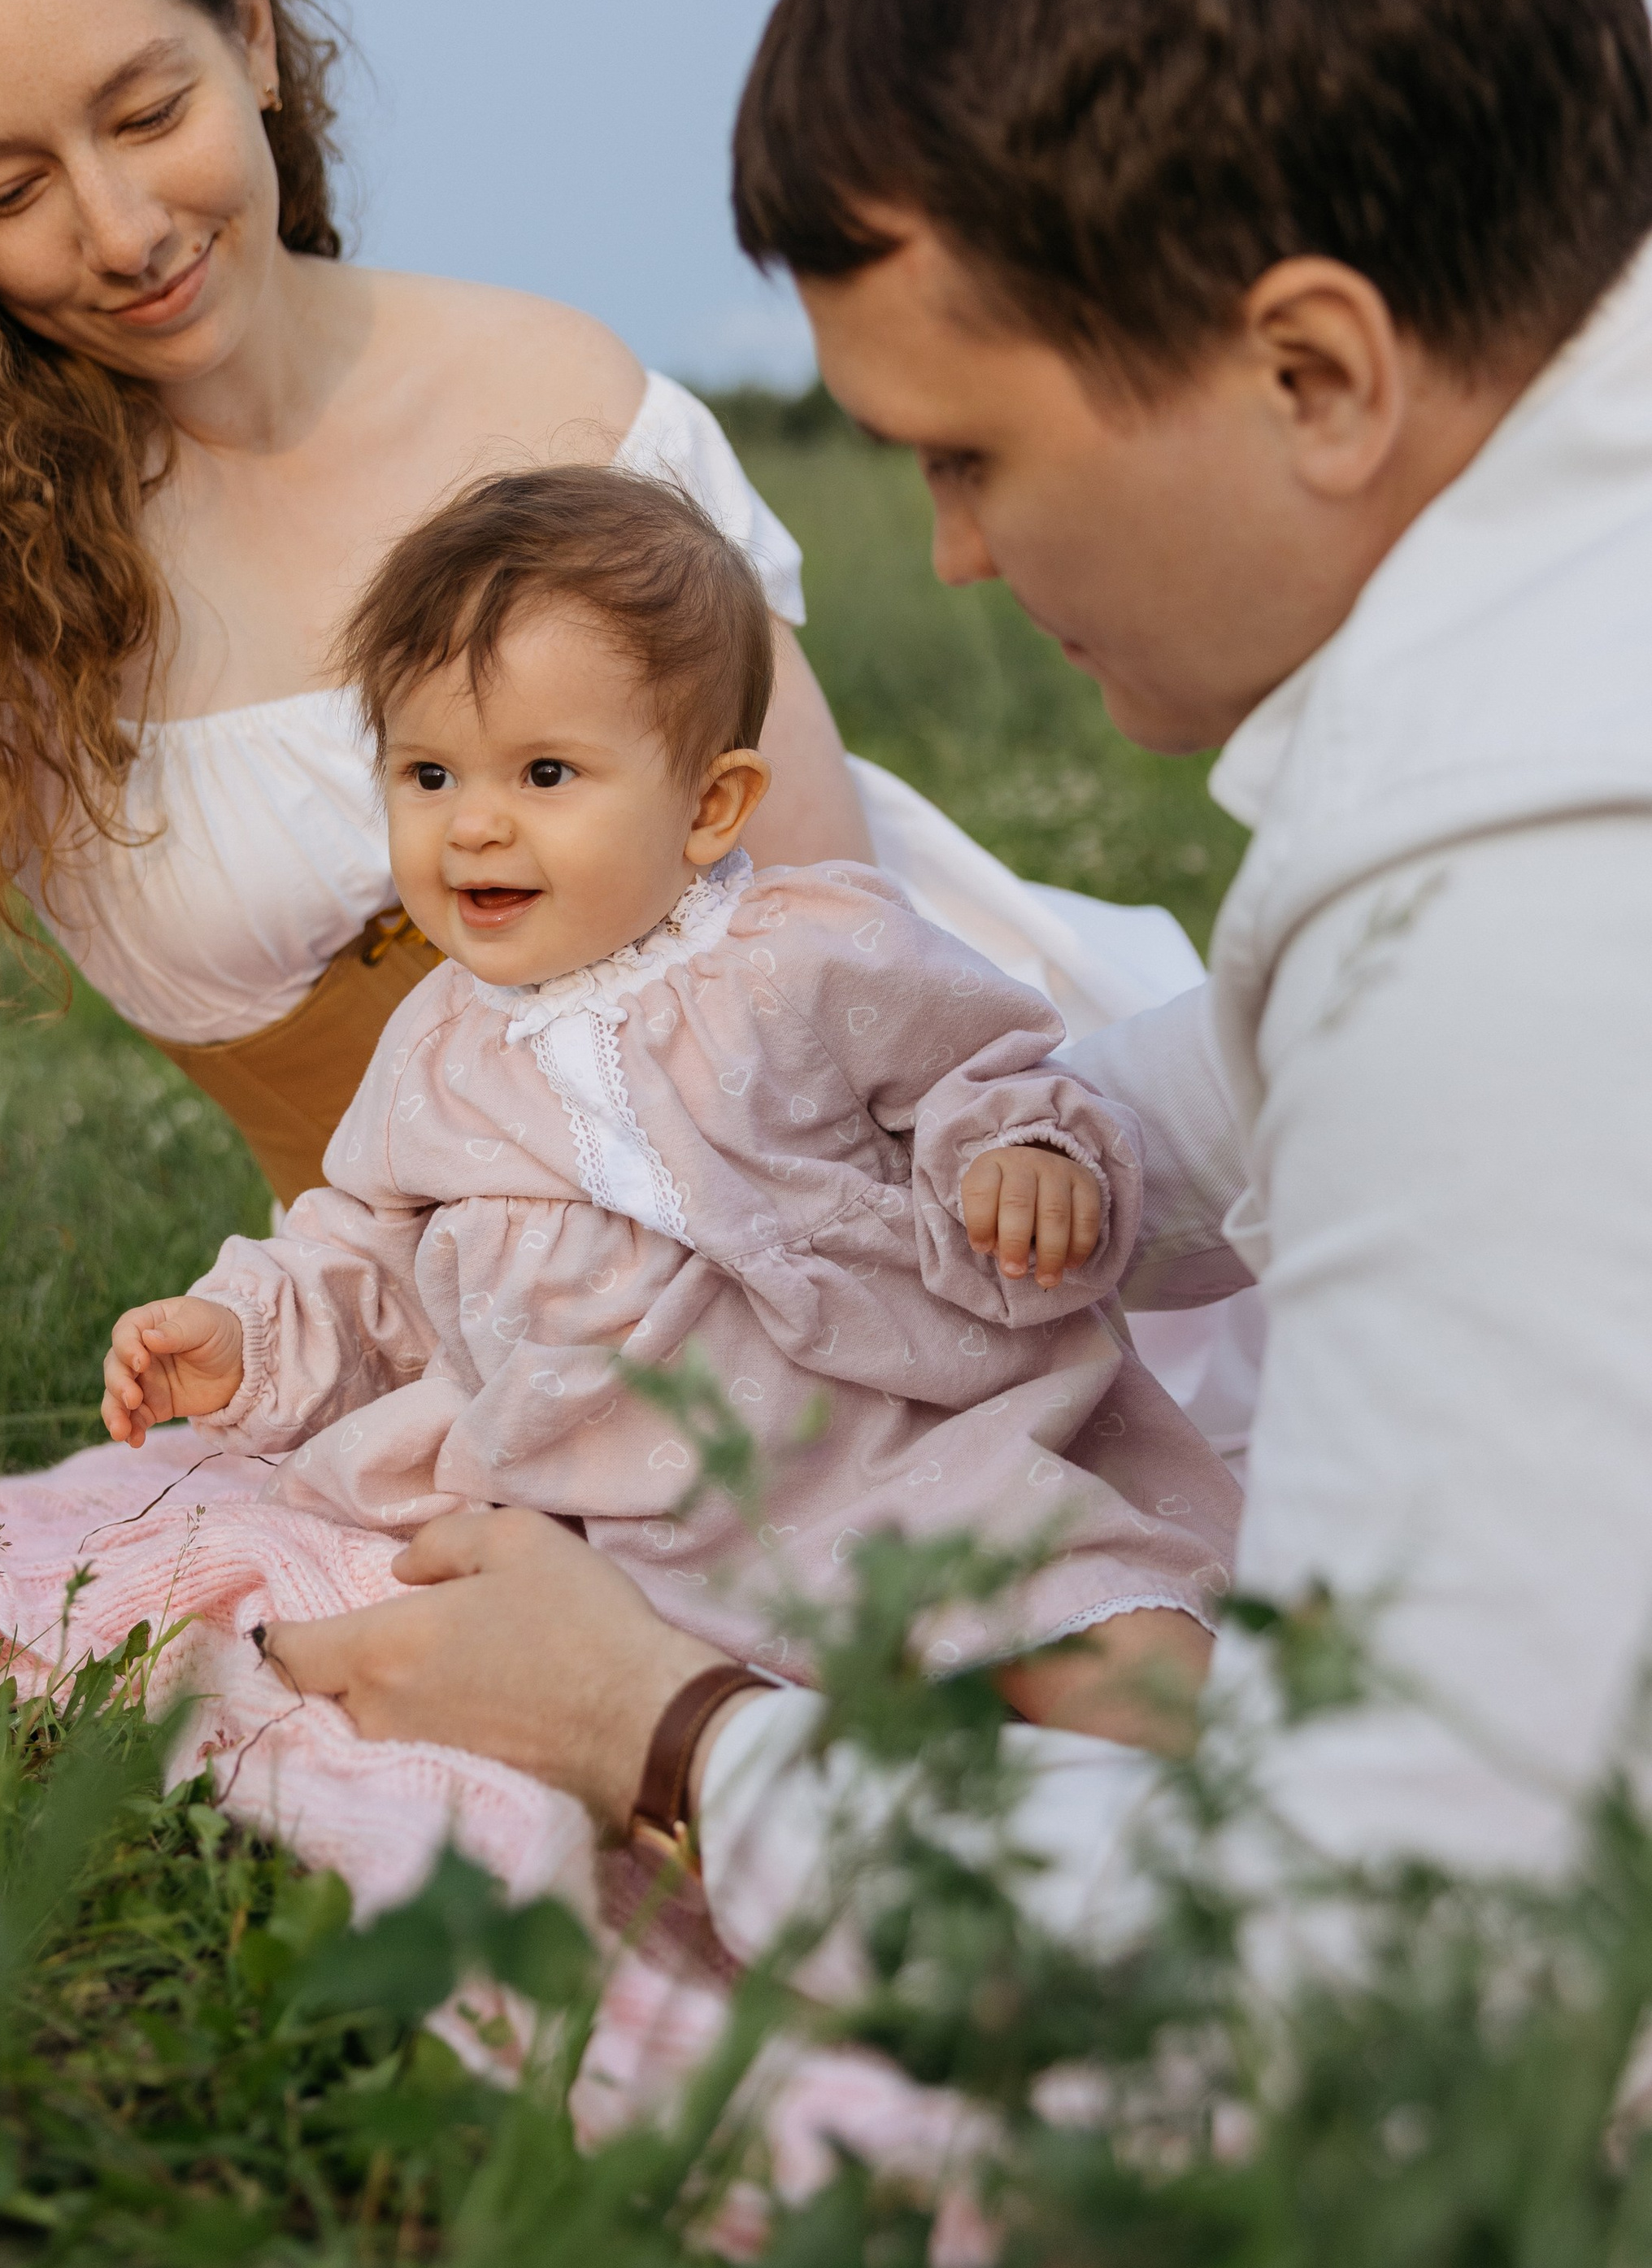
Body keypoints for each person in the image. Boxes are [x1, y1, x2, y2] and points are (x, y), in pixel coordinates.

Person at [263, 0, 1652, 1926]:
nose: (954, 559)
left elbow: (1397, 1969)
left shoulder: (1512, 934)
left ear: (1313, 372)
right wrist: (1068, 1150)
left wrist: (665, 1728)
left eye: (969, 452)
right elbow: (1254, 1071)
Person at [0, 0, 1203, 1502]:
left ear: (251, 32)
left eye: (143, 113)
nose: (118, 230)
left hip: (929, 1165)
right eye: (3, 186)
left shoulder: (561, 404)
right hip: (468, 1319)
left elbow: (818, 964)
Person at [97, 466, 1237, 1722]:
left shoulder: (804, 952)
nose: (472, 826)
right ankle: (731, 1736)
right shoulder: (437, 1045)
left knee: (1084, 1626)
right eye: (428, 776)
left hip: (881, 1438)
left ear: (709, 806)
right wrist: (250, 1331)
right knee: (453, 1641)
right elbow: (372, 1259)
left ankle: (1210, 1789)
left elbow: (977, 1074)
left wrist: (1019, 1153)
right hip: (600, 1506)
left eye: (542, 775)